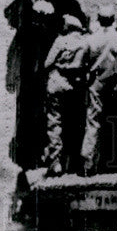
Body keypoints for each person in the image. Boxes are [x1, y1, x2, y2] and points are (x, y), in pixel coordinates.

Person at [4, 0, 60, 170]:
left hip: (39, 68)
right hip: (29, 69)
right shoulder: (24, 5)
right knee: (28, 112)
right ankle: (27, 155)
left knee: (39, 112)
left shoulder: (45, 5)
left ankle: (37, 153)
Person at [80, 6, 117, 175]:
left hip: (97, 80)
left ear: (99, 19)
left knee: (93, 120)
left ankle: (89, 162)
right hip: (116, 80)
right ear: (113, 19)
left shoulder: (91, 40)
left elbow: (84, 62)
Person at [44, 13, 89, 176]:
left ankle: (56, 162)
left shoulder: (60, 40)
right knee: (75, 123)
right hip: (75, 84)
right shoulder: (84, 42)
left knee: (55, 122)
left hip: (58, 81)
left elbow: (47, 63)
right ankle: (74, 161)